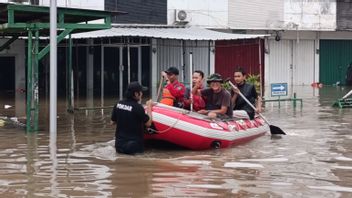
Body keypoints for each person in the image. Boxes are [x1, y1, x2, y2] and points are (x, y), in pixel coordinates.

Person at [111, 81, 153, 155]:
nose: (142, 94)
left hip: (119, 146)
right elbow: (148, 123)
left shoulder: (118, 104)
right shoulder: (138, 107)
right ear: (136, 94)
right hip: (134, 147)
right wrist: (149, 107)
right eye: (141, 92)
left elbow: (112, 122)